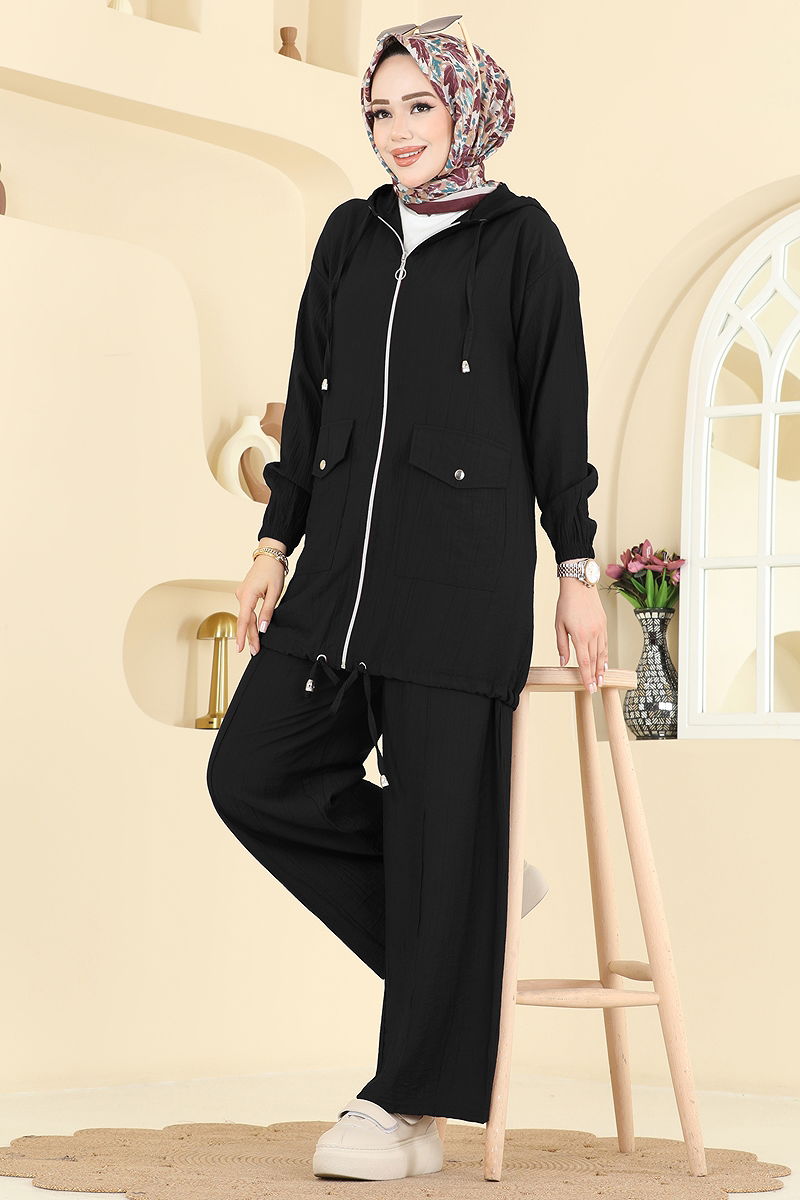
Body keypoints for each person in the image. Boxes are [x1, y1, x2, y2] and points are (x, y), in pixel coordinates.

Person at [206, 16, 607, 1182]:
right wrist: (273, 541)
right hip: (335, 576)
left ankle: (405, 1108)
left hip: (456, 581)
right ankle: (468, 904)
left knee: (441, 827)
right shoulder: (349, 234)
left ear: (466, 110)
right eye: (379, 111)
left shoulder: (522, 243)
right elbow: (307, 400)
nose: (394, 131)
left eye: (417, 106)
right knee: (252, 774)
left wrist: (575, 570)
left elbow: (556, 418)